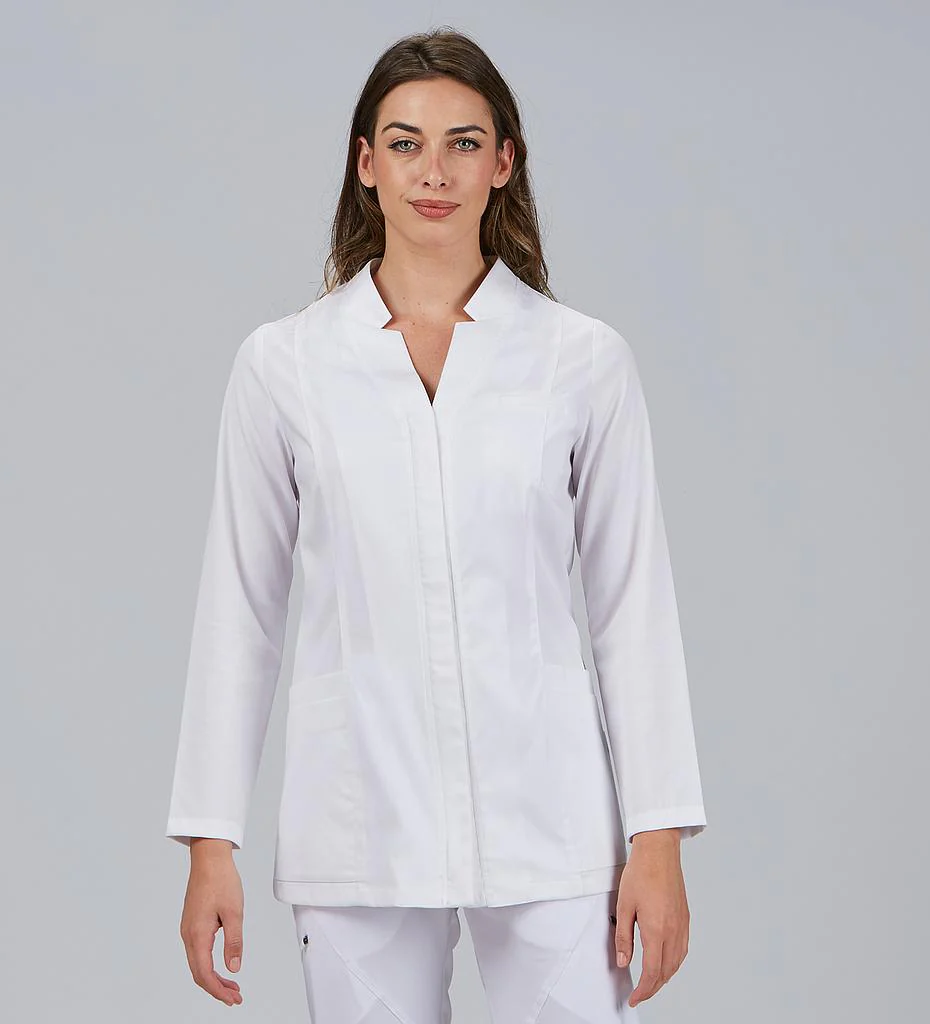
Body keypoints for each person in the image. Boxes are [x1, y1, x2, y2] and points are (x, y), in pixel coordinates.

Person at [165, 26, 707, 1023]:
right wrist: (210, 841)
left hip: (549, 815)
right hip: (357, 812)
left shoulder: (579, 361)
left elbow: (633, 607)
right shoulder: (286, 365)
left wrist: (659, 834)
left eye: (464, 142)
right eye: (405, 142)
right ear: (365, 164)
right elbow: (239, 611)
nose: (434, 171)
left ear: (504, 162)